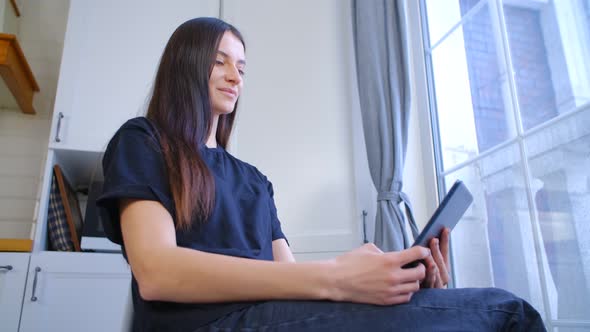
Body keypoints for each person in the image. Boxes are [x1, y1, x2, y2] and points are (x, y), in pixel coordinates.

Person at [97, 17, 546, 331]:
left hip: (272, 319)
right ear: (185, 64)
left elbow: (290, 283)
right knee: (507, 314)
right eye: (219, 61)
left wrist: (396, 282)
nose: (235, 75)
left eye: (242, 66)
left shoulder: (254, 180)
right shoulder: (144, 141)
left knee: (459, 309)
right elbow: (156, 272)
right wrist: (337, 276)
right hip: (205, 325)